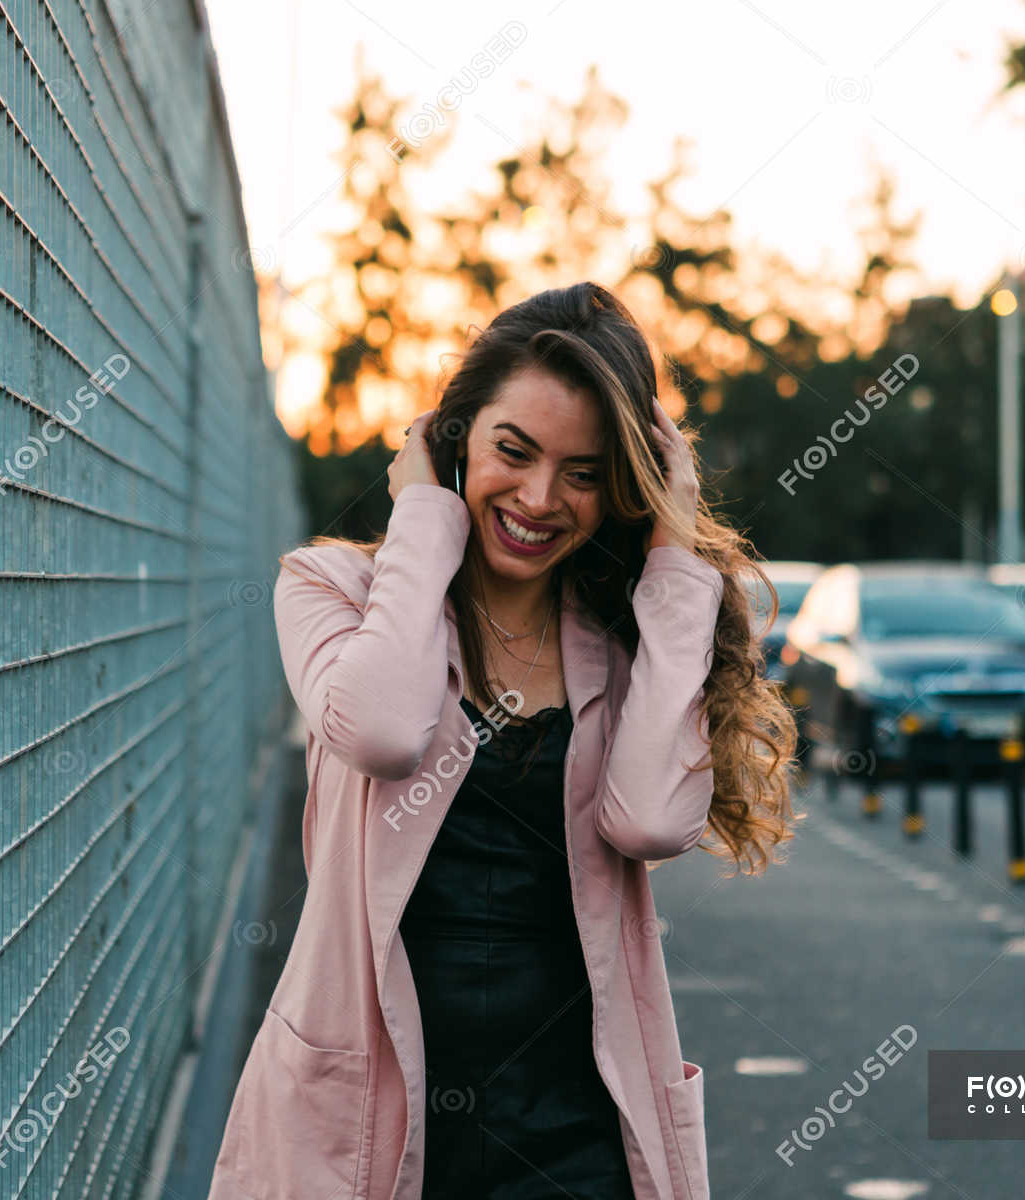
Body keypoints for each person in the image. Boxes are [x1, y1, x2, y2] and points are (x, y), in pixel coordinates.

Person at [208, 281, 798, 1200]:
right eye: (512, 451)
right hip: (366, 1127)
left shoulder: (625, 642)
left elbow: (648, 820)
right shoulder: (335, 593)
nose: (538, 497)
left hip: (573, 1139)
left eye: (585, 472)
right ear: (454, 439)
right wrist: (425, 517)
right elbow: (384, 729)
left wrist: (677, 553)